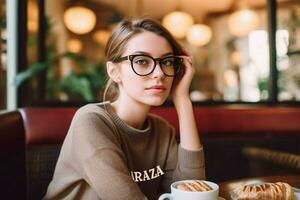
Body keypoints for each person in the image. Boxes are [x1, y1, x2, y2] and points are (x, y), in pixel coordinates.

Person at [44, 18, 205, 200]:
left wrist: (182, 100)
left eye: (167, 62)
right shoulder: (91, 121)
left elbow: (192, 194)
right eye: (142, 61)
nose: (159, 72)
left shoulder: (162, 130)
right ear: (114, 72)